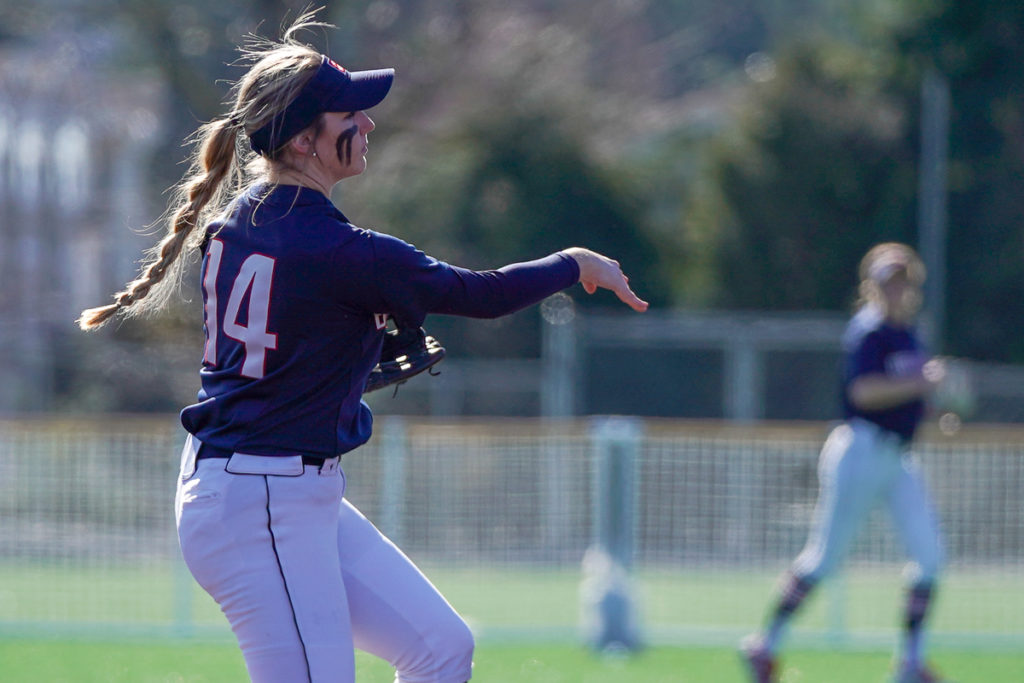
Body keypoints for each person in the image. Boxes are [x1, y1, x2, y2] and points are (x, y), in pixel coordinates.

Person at [78, 11, 647, 683]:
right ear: (299, 142)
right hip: (262, 494)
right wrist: (572, 261)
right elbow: (482, 295)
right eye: (347, 114)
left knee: (441, 647)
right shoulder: (343, 251)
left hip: (267, 487)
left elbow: (289, 333)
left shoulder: (241, 221)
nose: (367, 123)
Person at [740, 242, 949, 683]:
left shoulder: (909, 332)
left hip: (897, 455)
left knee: (930, 556)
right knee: (824, 560)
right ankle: (765, 644)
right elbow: (864, 393)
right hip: (861, 451)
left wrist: (932, 403)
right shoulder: (868, 331)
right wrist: (918, 383)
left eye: (903, 281)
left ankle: (911, 661)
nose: (896, 289)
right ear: (871, 286)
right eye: (888, 281)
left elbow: (909, 392)